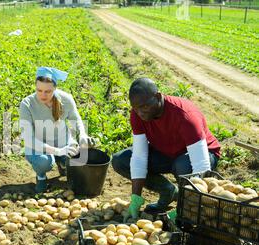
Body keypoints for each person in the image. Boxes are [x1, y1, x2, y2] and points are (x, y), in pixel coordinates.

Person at [111, 78, 221, 221]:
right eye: (135, 108)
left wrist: (187, 207)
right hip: (167, 152)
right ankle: (168, 191)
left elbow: (201, 166)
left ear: (157, 97)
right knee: (121, 160)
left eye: (144, 107)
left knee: (182, 166)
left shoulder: (184, 115)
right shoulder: (138, 114)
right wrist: (136, 198)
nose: (140, 113)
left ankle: (186, 207)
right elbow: (139, 156)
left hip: (202, 155)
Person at [19, 67, 96, 193]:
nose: (43, 95)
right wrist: (58, 151)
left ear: (55, 88)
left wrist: (82, 134)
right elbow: (29, 139)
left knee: (76, 154)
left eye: (48, 91)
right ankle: (41, 176)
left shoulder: (66, 99)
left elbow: (76, 120)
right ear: (35, 87)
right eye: (39, 90)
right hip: (37, 146)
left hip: (62, 141)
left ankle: (63, 162)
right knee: (43, 162)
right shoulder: (27, 104)